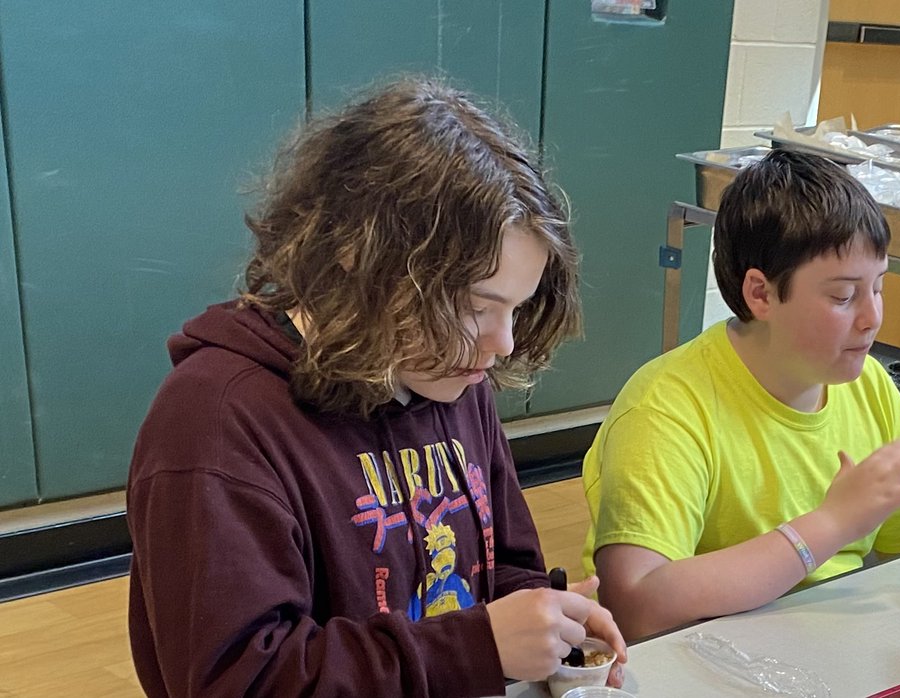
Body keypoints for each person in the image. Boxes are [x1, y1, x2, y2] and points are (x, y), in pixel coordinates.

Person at [126, 77, 625, 697]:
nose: (503, 343)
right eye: (475, 306)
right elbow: (239, 682)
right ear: (360, 258)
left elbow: (506, 566)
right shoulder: (215, 422)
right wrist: (477, 646)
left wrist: (543, 619)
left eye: (517, 308)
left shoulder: (447, 376)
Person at [581, 149, 900, 640]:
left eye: (878, 288)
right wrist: (831, 524)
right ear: (761, 294)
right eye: (843, 296)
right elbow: (637, 606)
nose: (872, 317)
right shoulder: (667, 407)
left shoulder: (871, 388)